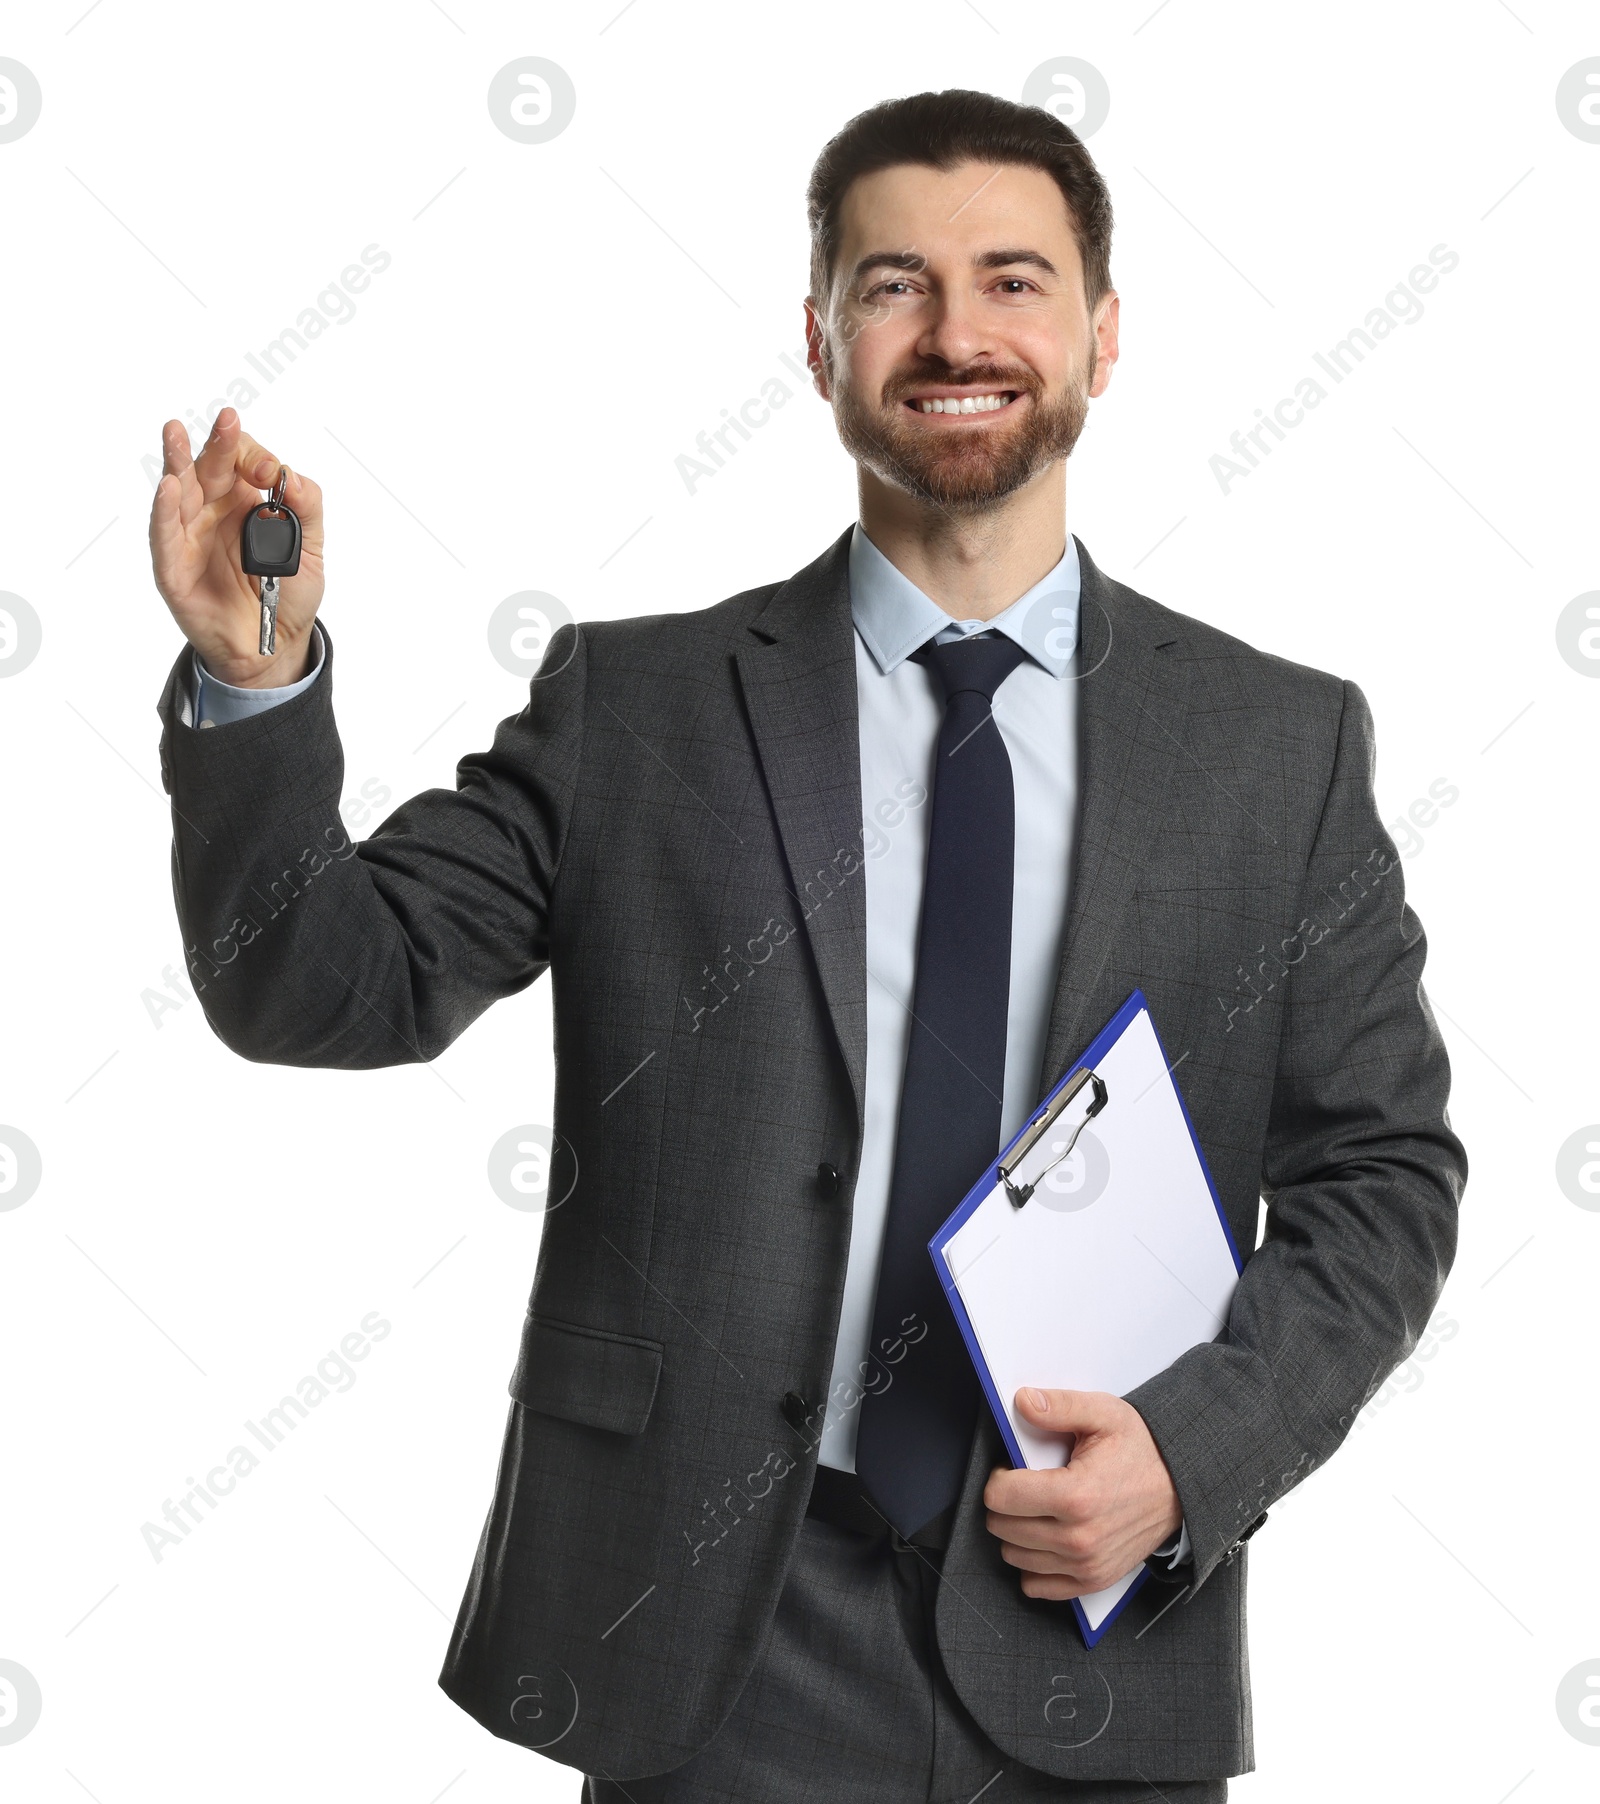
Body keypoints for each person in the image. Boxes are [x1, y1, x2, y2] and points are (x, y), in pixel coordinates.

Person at [146, 88, 1465, 1801]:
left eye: (1014, 279)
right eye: (894, 286)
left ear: (1104, 334)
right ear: (821, 341)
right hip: (717, 1634)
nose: (957, 333)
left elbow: (1386, 1175)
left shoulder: (1278, 748)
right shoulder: (639, 710)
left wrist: (1193, 1458)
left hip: (1095, 1611)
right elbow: (319, 981)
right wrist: (258, 677)